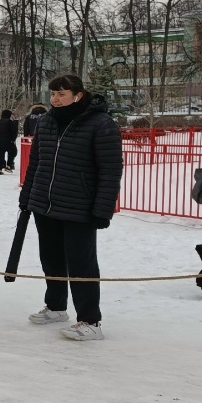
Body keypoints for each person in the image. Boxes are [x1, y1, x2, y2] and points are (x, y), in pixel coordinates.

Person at [19, 75, 123, 342]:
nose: (55, 98)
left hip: (80, 207)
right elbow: (36, 163)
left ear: (78, 95)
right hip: (45, 203)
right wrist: (28, 196)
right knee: (51, 257)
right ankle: (56, 307)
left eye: (61, 94)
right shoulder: (46, 122)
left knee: (82, 263)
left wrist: (102, 209)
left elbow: (110, 170)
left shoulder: (101, 124)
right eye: (53, 93)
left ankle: (90, 320)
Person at [0, 109, 19, 174]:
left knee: (0, 154)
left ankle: (0, 169)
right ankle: (9, 165)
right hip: (8, 141)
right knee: (13, 152)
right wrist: (13, 140)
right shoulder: (10, 122)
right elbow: (14, 132)